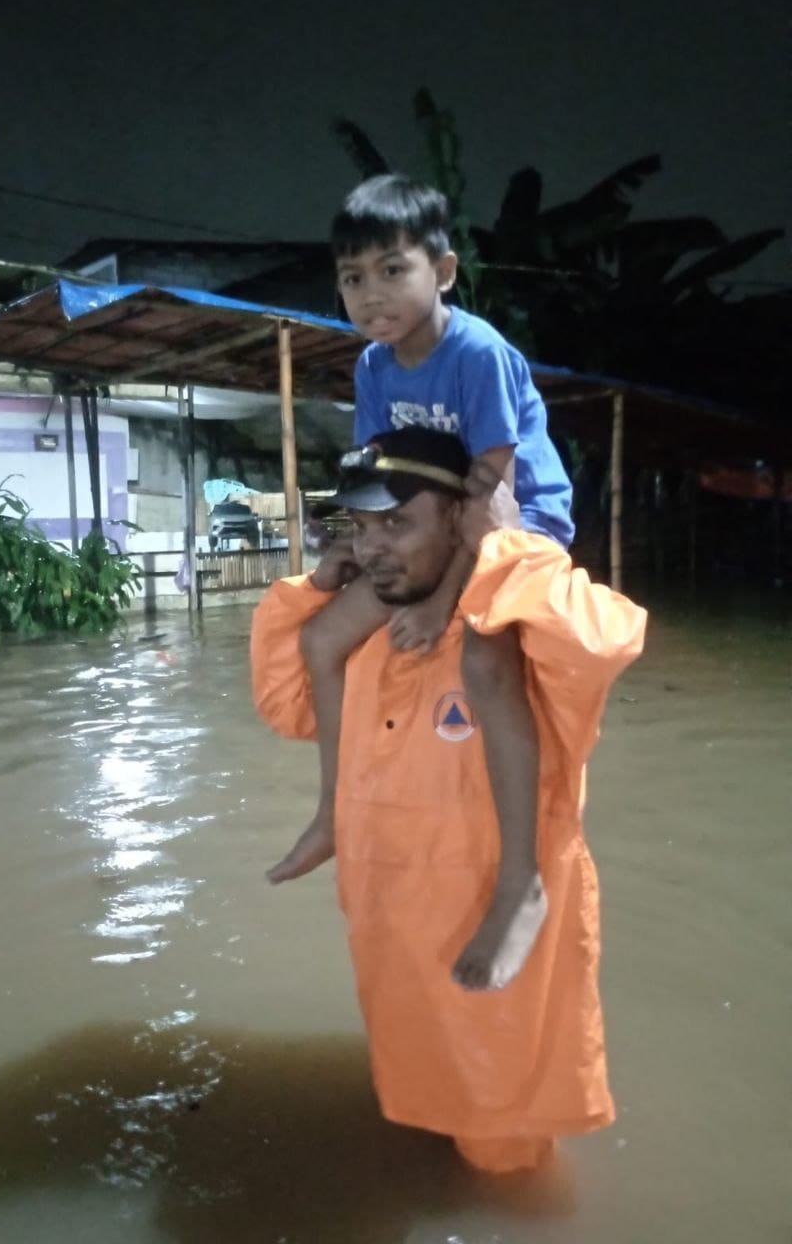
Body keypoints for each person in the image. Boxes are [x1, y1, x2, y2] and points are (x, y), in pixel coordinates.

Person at [251, 427, 646, 1173]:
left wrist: (504, 546)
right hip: (396, 956)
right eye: (363, 527)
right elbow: (284, 703)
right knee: (420, 1110)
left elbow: (604, 641)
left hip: (495, 979)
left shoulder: (523, 642)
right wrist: (317, 590)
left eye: (397, 524)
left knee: (506, 1160)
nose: (372, 547)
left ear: (460, 525)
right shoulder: (365, 642)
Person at [268, 174, 574, 993]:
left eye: (391, 270)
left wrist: (446, 602)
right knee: (322, 635)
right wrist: (346, 550)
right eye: (352, 278)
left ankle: (522, 880)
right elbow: (381, 477)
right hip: (437, 518)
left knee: (482, 662)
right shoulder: (374, 366)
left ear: (441, 271)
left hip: (517, 514)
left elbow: (490, 491)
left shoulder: (476, 353)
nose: (370, 294)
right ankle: (332, 812)